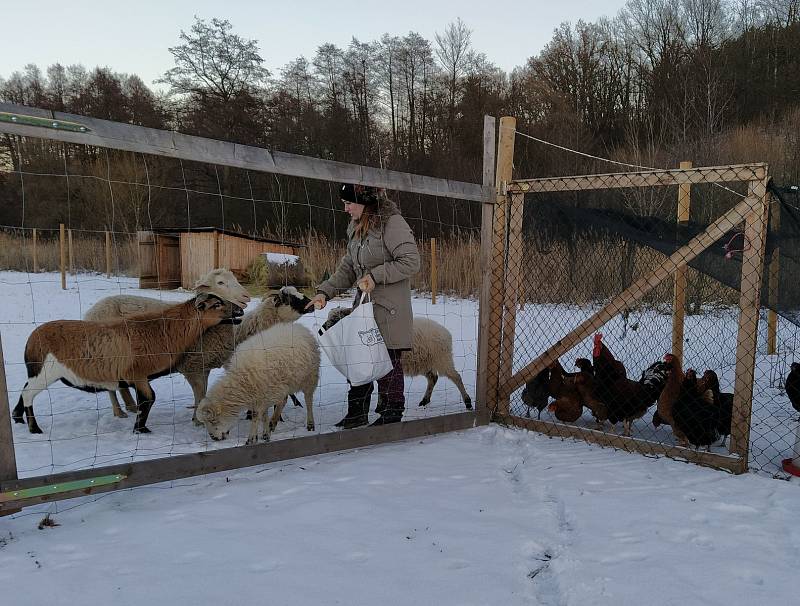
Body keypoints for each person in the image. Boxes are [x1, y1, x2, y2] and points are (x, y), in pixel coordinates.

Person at [308, 183, 420, 427]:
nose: (346, 209)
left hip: (390, 308)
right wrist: (325, 292)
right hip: (365, 307)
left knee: (388, 361)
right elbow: (348, 268)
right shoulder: (357, 228)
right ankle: (357, 412)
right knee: (359, 358)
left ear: (366, 202)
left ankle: (392, 414)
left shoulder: (392, 223)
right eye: (344, 204)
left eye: (349, 203)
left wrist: (376, 275)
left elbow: (411, 261)